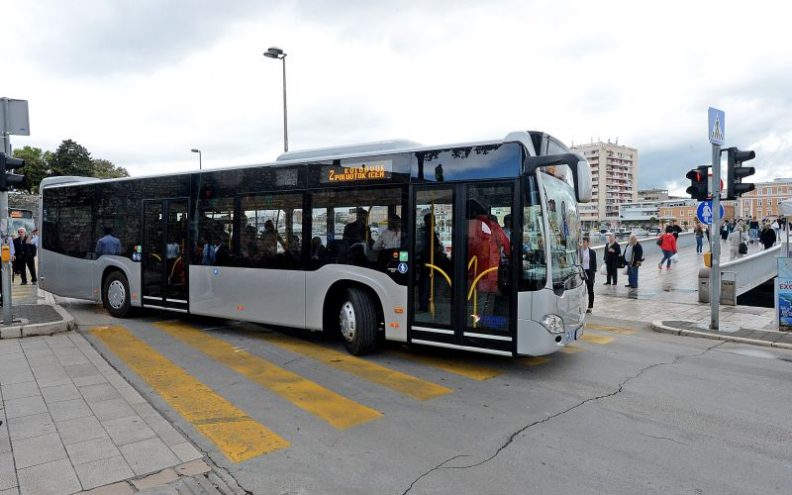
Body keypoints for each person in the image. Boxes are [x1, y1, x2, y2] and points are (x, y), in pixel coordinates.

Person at [580, 237, 596, 313]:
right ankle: (580, 306)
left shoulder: (592, 252)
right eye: (582, 242)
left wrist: (593, 276)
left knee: (590, 290)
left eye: (584, 242)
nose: (583, 244)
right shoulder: (580, 252)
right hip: (582, 272)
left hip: (589, 273)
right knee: (580, 290)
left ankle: (590, 307)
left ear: (588, 243)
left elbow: (594, 265)